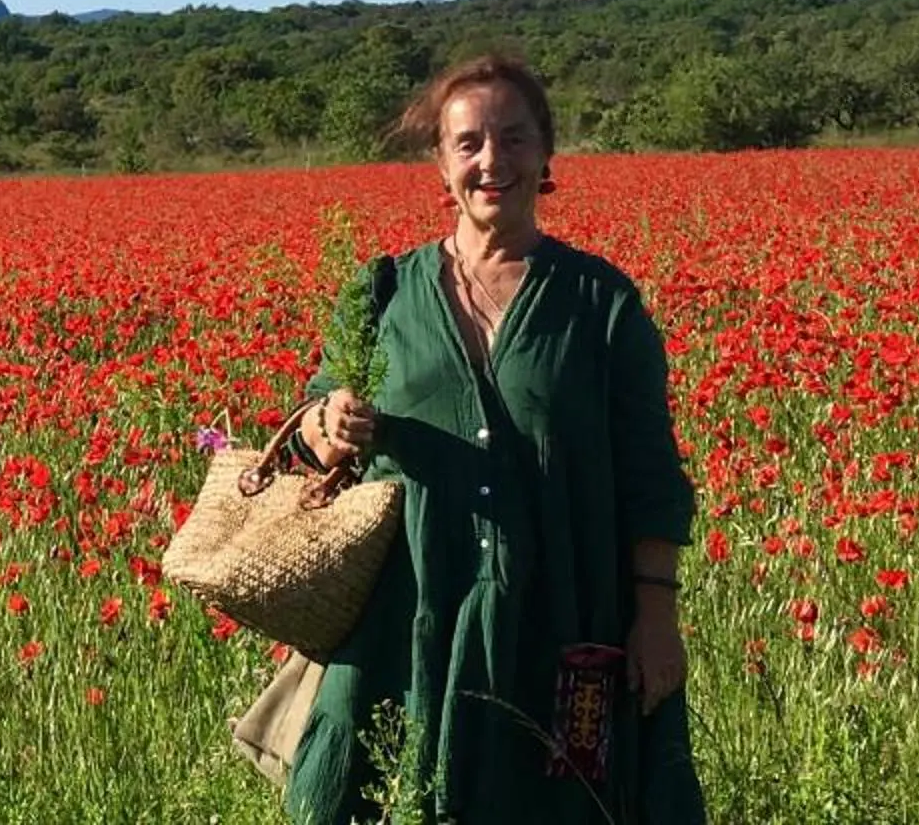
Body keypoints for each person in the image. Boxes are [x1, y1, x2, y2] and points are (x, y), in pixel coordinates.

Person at [277, 54, 703, 824]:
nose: (490, 162)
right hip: (406, 614)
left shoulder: (600, 303)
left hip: (566, 618)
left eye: (512, 139)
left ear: (545, 153)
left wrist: (657, 616)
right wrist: (329, 423)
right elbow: (309, 425)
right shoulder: (379, 293)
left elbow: (651, 476)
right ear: (440, 162)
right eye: (469, 143)